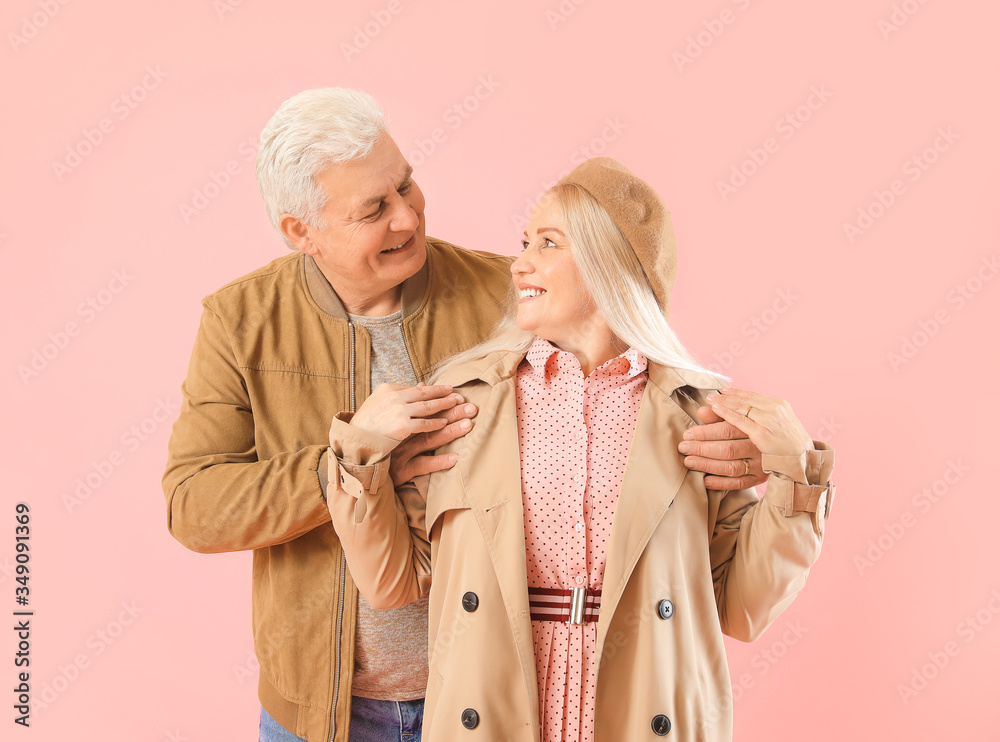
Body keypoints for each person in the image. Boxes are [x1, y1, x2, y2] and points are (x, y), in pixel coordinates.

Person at [162, 89, 769, 742]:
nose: (407, 217)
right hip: (321, 712)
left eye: (405, 186)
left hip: (500, 702)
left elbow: (625, 396)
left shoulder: (504, 293)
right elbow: (193, 505)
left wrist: (736, 456)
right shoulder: (240, 321)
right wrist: (352, 467)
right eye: (374, 210)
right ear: (301, 231)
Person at [327, 157, 837, 741]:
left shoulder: (697, 412)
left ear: (607, 263)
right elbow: (393, 581)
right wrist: (359, 453)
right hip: (494, 718)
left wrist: (797, 474)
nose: (519, 264)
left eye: (548, 243)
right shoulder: (468, 401)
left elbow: (744, 607)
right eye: (525, 242)